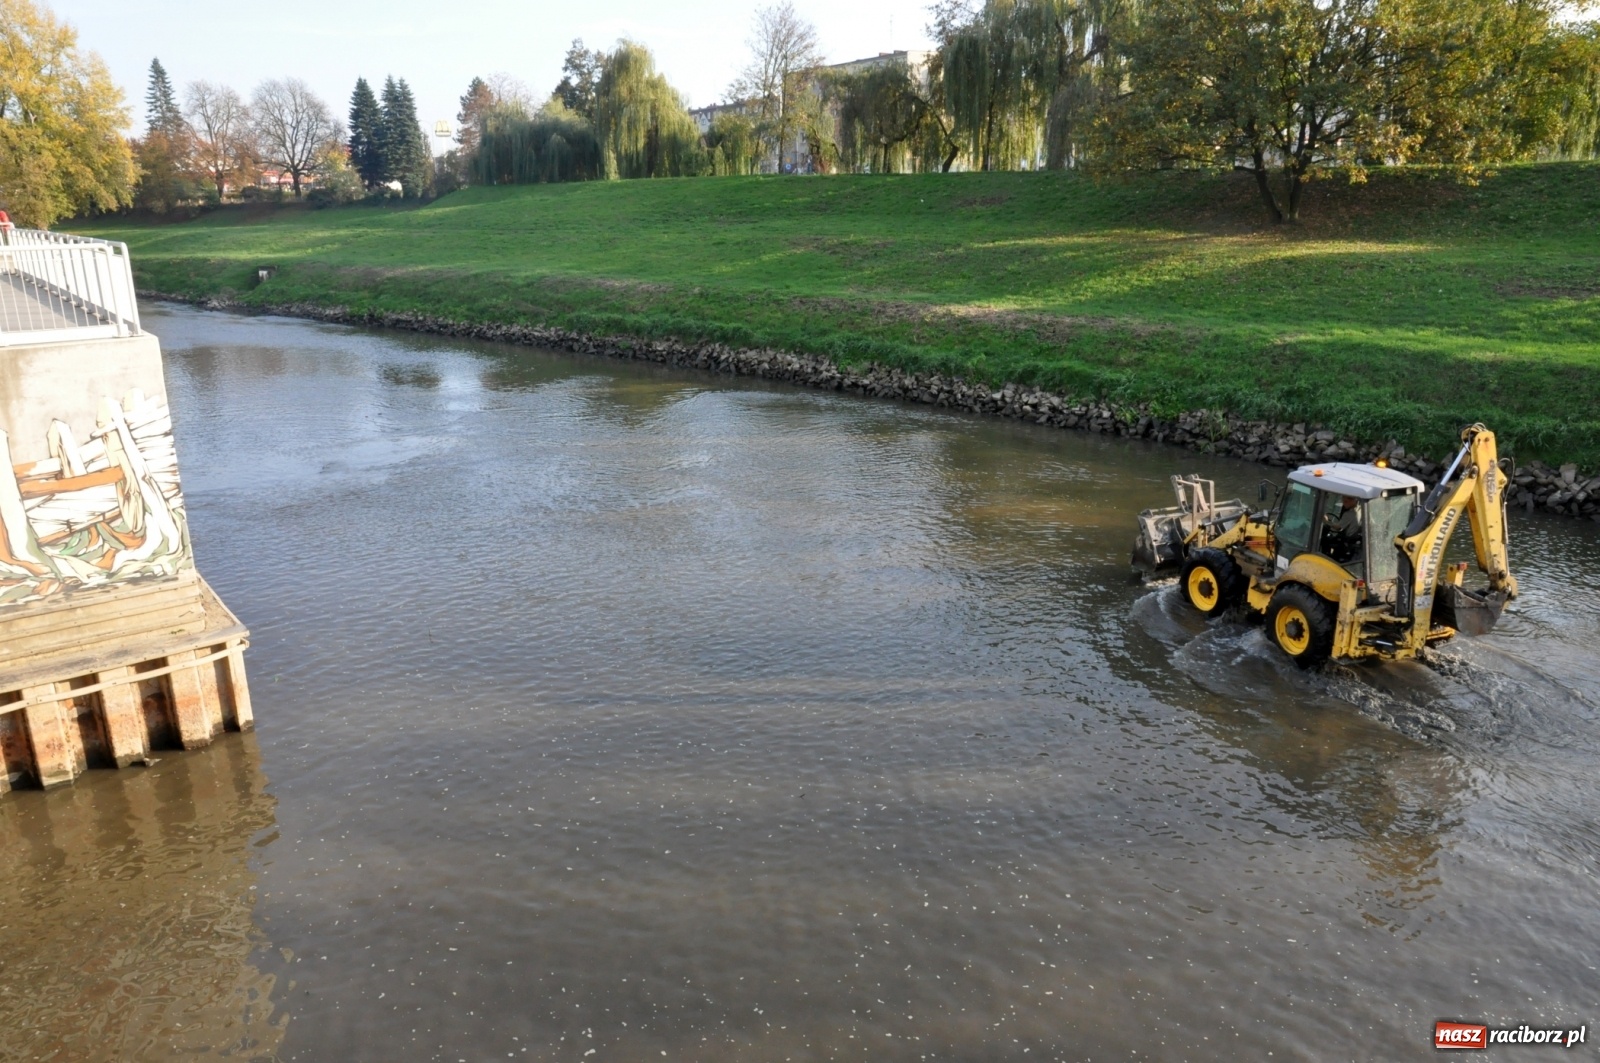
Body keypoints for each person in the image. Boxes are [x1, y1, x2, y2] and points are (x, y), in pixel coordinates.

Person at [1322, 495, 1363, 562]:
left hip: (1347, 542)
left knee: (1325, 541)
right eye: (1343, 500)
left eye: (1346, 501)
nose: (1344, 503)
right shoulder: (1362, 510)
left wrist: (1326, 521)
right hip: (1355, 541)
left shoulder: (1350, 514)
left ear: (1354, 500)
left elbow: (1337, 527)